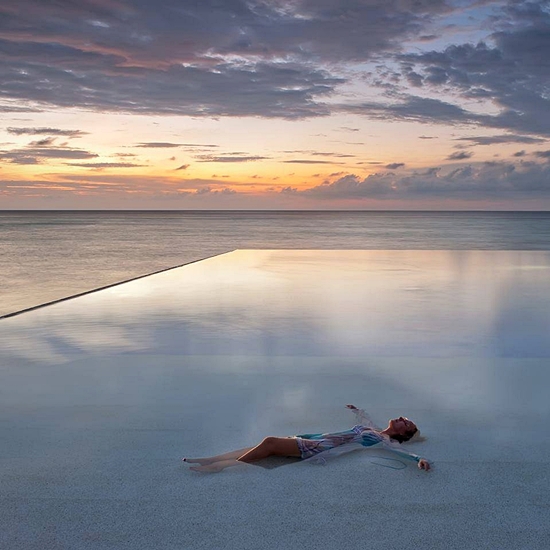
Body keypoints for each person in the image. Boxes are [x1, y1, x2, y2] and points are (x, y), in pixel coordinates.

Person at [183, 405, 431, 473]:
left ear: (402, 433)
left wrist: (419, 459)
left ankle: (218, 467)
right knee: (258, 447)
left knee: (269, 442)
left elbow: (402, 453)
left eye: (405, 422)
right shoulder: (376, 431)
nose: (400, 418)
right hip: (311, 439)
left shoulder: (382, 441)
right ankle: (211, 459)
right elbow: (365, 422)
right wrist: (357, 410)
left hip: (315, 449)